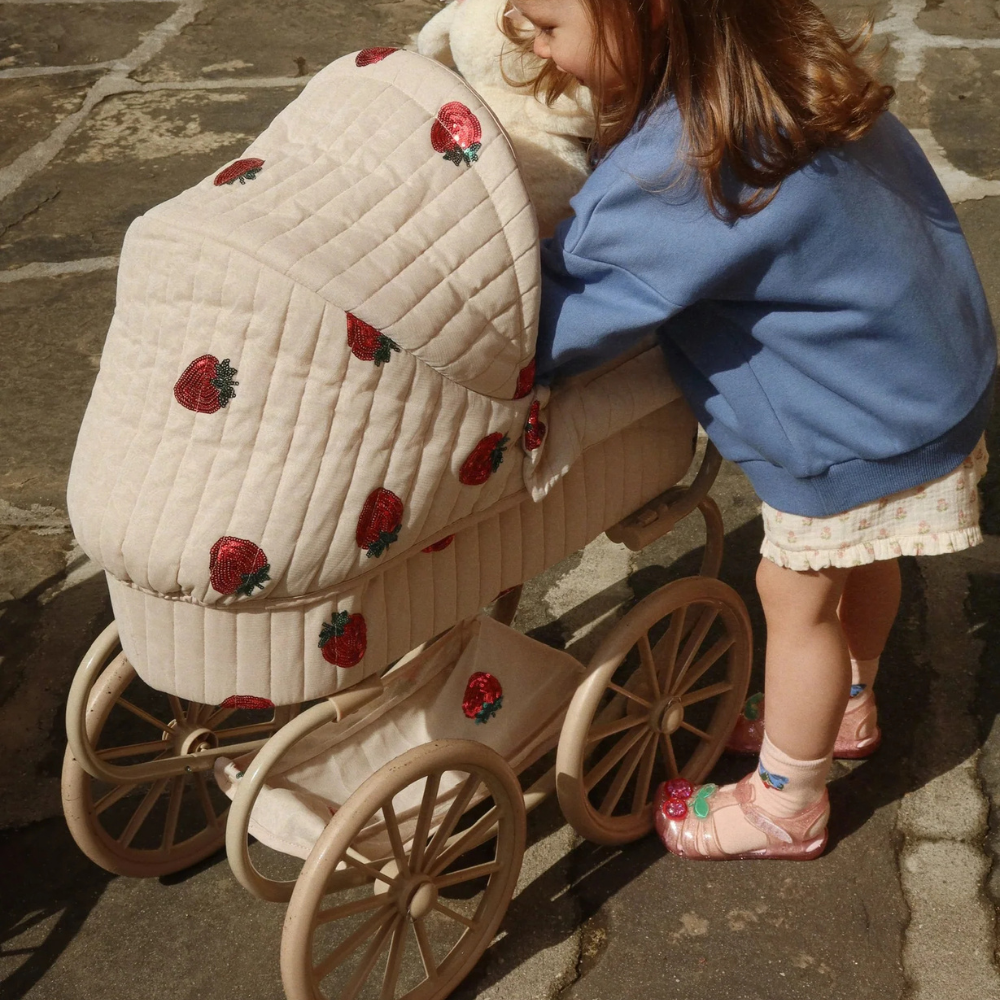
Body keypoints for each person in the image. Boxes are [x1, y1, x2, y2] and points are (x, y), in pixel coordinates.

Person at [503, 0, 996, 859]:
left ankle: (787, 804)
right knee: (866, 555)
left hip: (847, 423)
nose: (531, 41)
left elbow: (560, 322)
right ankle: (846, 705)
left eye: (547, 25)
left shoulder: (681, 166)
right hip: (927, 380)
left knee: (794, 598)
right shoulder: (788, 77)